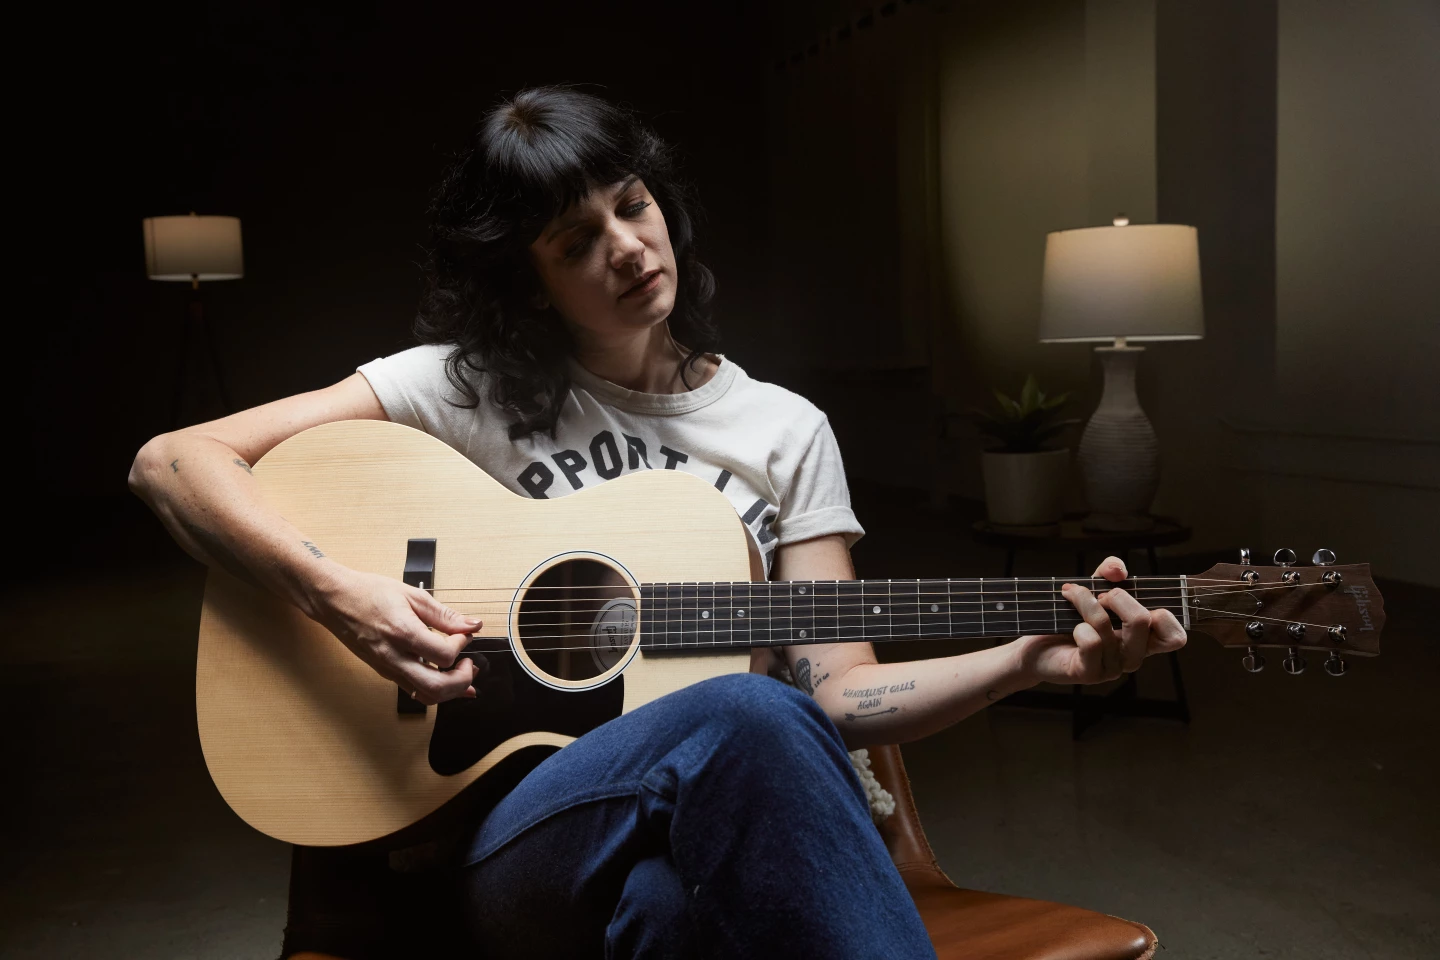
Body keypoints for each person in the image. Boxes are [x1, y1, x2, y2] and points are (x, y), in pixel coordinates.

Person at [129, 87, 1187, 959]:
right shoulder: (455, 390)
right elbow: (173, 461)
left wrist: (1029, 662)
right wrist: (344, 596)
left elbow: (847, 693)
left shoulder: (783, 429)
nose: (629, 247)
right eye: (577, 240)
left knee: (672, 915)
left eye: (633, 206)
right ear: (531, 283)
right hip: (502, 846)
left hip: (695, 851)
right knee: (749, 711)